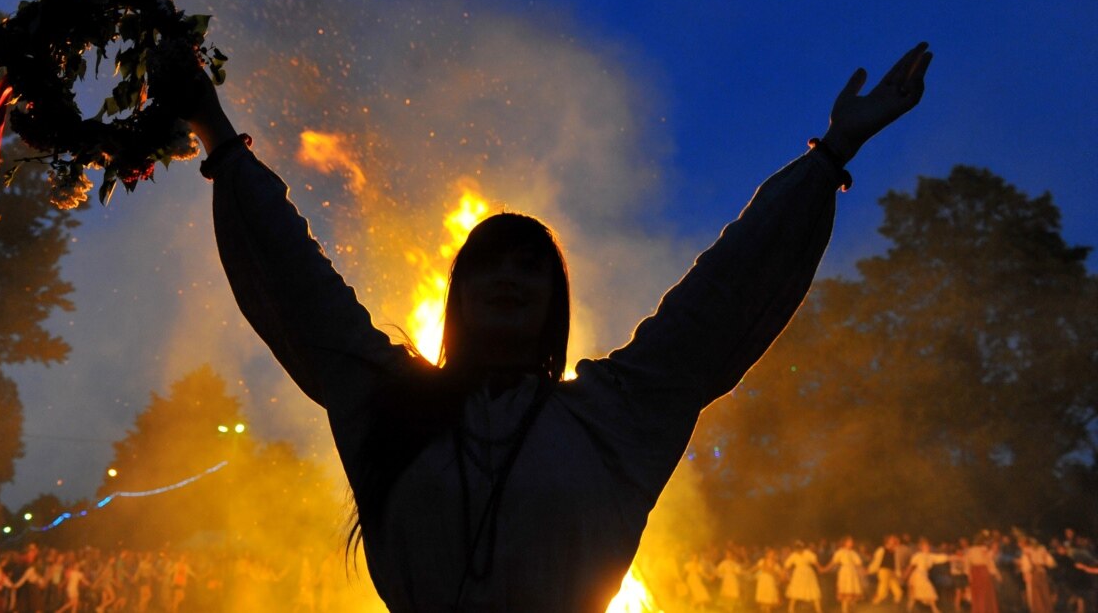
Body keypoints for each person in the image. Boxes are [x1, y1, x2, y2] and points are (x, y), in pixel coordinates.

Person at [176, 41, 932, 612]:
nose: (508, 277)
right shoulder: (389, 406)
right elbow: (301, 288)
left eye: (530, 267)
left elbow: (720, 296)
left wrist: (831, 154)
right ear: (458, 294)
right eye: (489, 265)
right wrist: (214, 132)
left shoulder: (610, 417)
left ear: (554, 301)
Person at [825, 536, 864, 613]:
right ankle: (844, 610)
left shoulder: (853, 553)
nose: (851, 543)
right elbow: (833, 562)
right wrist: (825, 569)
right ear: (845, 543)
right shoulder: (840, 552)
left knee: (852, 593)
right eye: (849, 542)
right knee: (845, 593)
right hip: (844, 573)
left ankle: (851, 609)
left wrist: (863, 571)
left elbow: (858, 564)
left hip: (852, 573)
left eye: (852, 542)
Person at [785, 541, 824, 613]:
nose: (799, 550)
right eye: (797, 548)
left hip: (808, 574)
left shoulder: (808, 553)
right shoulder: (794, 555)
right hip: (798, 574)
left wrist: (820, 568)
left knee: (813, 591)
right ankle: (791, 610)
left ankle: (819, 610)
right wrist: (786, 574)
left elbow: (815, 562)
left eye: (800, 547)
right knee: (795, 591)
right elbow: (787, 565)